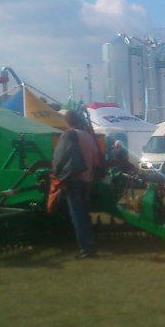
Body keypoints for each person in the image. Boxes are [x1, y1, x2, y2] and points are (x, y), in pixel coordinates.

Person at [52, 109, 100, 259]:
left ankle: (85, 249)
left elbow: (59, 157)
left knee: (77, 215)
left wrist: (57, 172)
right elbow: (95, 161)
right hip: (87, 180)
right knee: (83, 213)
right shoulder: (88, 137)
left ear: (67, 121)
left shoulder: (68, 135)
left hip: (73, 180)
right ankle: (90, 243)